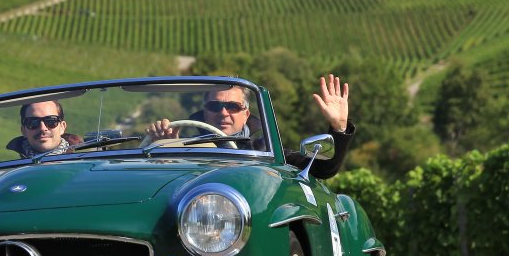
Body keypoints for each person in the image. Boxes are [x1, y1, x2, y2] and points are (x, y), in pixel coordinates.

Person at [146, 75, 355, 180]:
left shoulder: (263, 150)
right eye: (215, 106)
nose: (223, 113)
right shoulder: (184, 148)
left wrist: (338, 127)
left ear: (246, 114)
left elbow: (322, 169)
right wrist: (164, 149)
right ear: (205, 112)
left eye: (233, 106)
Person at [7, 99, 83, 157]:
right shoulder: (9, 163)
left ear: (62, 127)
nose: (42, 128)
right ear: (23, 130)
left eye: (51, 121)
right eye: (33, 122)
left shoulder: (84, 156)